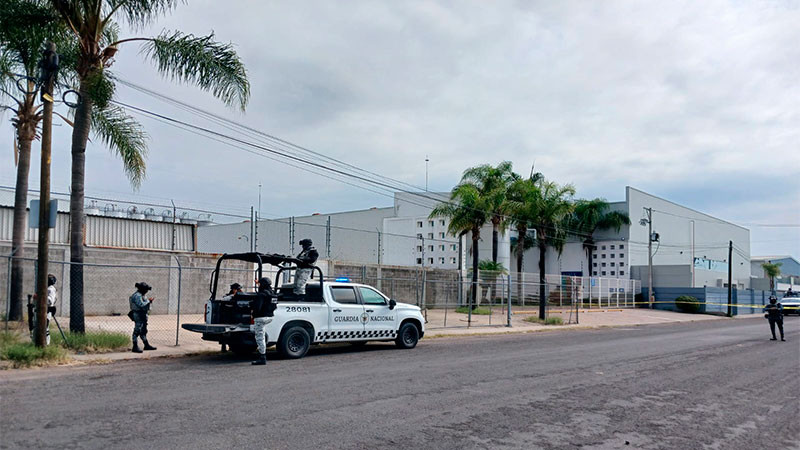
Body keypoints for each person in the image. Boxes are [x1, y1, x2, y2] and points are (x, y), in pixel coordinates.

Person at [251, 277, 277, 365]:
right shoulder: (273, 294)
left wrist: (253, 312)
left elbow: (257, 307)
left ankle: (262, 358)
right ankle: (263, 353)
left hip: (261, 317)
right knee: (262, 334)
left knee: (259, 338)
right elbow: (275, 306)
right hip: (270, 317)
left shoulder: (261, 294)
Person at [129, 282, 157, 353]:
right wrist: (149, 301)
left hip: (142, 314)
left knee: (143, 331)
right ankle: (135, 346)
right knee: (137, 331)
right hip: (138, 314)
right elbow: (141, 304)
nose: (146, 291)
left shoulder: (142, 295)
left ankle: (146, 345)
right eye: (145, 290)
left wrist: (149, 302)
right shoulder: (137, 296)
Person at [45, 274, 57, 345]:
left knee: (45, 327)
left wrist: (41, 296)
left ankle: (47, 343)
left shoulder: (50, 289)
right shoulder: (47, 288)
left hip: (47, 310)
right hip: (45, 310)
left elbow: (50, 301)